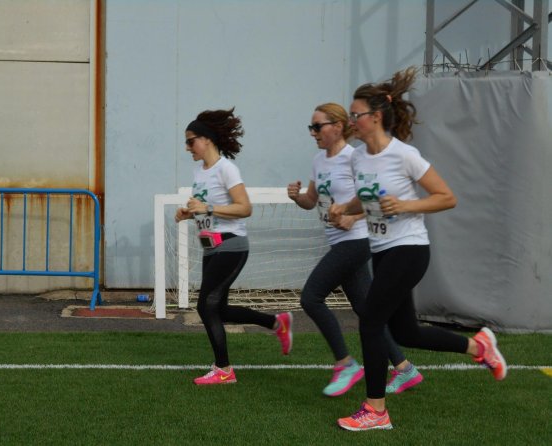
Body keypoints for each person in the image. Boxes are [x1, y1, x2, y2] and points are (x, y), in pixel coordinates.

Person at [330, 68, 507, 431]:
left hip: (409, 249)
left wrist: (405, 206)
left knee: (371, 322)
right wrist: (344, 212)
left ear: (376, 117)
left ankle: (376, 410)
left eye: (356, 114)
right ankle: (479, 348)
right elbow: (367, 201)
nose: (352, 120)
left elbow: (447, 198)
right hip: (382, 250)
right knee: (407, 332)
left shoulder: (405, 155)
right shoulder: (357, 157)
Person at [287, 103, 422, 397]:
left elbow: (377, 198)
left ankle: (346, 364)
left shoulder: (354, 159)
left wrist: (353, 216)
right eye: (311, 127)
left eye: (317, 126)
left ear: (337, 126)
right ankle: (404, 369)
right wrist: (297, 197)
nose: (313, 133)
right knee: (366, 310)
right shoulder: (319, 161)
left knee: (311, 298)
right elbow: (312, 200)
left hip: (357, 241)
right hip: (338, 241)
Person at [175, 108, 293, 385]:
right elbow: (204, 207)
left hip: (231, 245)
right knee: (220, 309)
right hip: (210, 245)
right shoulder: (198, 171)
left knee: (206, 306)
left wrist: (208, 207)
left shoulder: (227, 168)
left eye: (190, 141)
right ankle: (277, 323)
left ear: (206, 140)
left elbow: (245, 208)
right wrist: (189, 212)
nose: (187, 147)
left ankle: (224, 369)